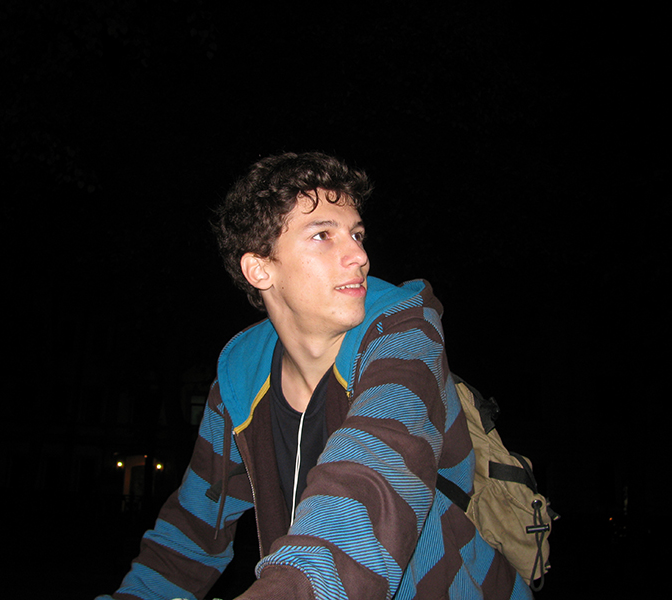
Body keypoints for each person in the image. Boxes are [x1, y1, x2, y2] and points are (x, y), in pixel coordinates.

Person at [98, 152, 532, 599]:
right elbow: (191, 532)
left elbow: (373, 473)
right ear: (259, 269)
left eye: (357, 234)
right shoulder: (238, 381)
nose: (359, 256)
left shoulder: (405, 332)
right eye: (323, 235)